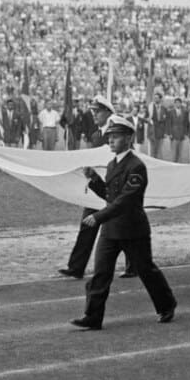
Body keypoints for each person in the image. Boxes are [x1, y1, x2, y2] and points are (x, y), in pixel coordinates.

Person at [70, 115, 177, 330]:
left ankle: (166, 304)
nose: (110, 140)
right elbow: (111, 196)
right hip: (111, 229)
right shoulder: (112, 164)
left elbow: (125, 201)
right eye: (110, 137)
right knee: (101, 273)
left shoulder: (136, 166)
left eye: (116, 137)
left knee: (146, 270)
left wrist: (98, 216)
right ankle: (93, 316)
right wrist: (94, 180)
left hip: (132, 229)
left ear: (128, 139)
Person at [59, 96, 133, 279]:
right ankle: (76, 267)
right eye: (93, 112)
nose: (94, 115)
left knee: (122, 226)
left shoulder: (117, 128)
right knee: (88, 224)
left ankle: (133, 265)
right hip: (98, 187)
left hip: (115, 187)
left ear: (108, 112)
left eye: (97, 111)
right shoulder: (95, 135)